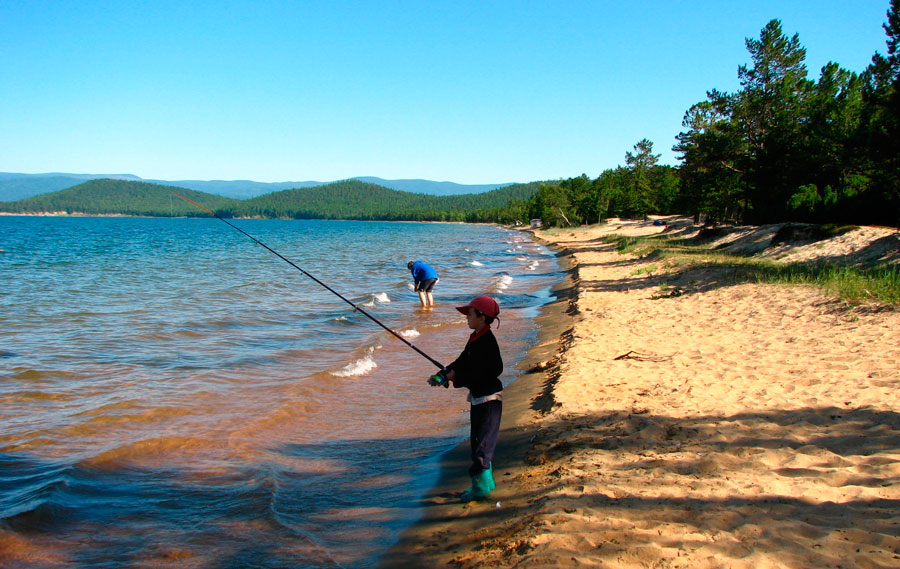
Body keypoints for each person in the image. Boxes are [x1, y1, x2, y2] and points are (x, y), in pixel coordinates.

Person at [428, 295, 503, 502]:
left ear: (481, 316)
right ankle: (486, 484)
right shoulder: (475, 337)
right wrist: (445, 373)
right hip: (479, 398)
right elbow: (462, 360)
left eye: (469, 314)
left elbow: (495, 369)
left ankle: (480, 490)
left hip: (489, 401)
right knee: (478, 442)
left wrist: (458, 378)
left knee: (482, 445)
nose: (466, 317)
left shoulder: (487, 340)